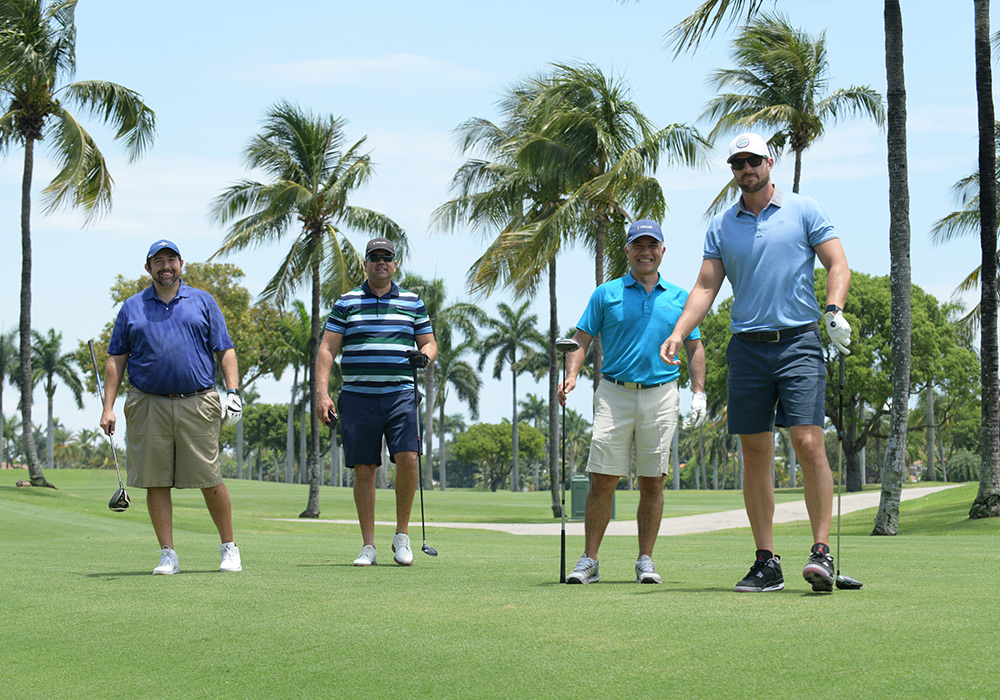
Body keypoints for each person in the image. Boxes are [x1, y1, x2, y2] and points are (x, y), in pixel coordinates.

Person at [660, 133, 852, 593]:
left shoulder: (804, 210)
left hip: (800, 342)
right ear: (733, 171)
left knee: (808, 442)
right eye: (737, 163)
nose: (746, 169)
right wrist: (679, 331)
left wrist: (834, 309)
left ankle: (821, 552)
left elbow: (837, 263)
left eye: (753, 160)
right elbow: (706, 286)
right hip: (747, 346)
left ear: (770, 162)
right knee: (756, 454)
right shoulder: (722, 225)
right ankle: (766, 561)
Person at [558, 219, 706, 585]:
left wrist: (699, 390)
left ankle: (645, 560)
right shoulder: (605, 293)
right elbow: (581, 339)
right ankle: (589, 560)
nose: (645, 251)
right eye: (637, 245)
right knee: (603, 479)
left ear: (662, 250)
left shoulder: (679, 297)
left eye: (651, 244)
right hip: (614, 393)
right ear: (626, 251)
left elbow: (695, 346)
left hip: (661, 394)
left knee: (652, 481)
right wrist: (572, 375)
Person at [100, 240, 245, 576]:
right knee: (156, 481)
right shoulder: (132, 307)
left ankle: (229, 548)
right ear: (148, 268)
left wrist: (233, 391)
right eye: (158, 261)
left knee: (210, 478)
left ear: (181, 263)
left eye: (171, 260)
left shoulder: (203, 301)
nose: (165, 266)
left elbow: (225, 349)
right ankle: (168, 554)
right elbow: (116, 359)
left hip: (198, 400)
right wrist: (108, 407)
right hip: (148, 403)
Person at [316, 237, 438, 567]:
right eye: (374, 257)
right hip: (358, 396)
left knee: (409, 458)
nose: (381, 262)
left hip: (401, 393)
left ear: (395, 264)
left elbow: (429, 343)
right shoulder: (346, 302)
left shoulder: (413, 302)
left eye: (387, 257)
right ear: (366, 264)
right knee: (364, 469)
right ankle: (368, 545)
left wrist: (423, 357)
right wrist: (322, 393)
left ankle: (402, 536)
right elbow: (328, 349)